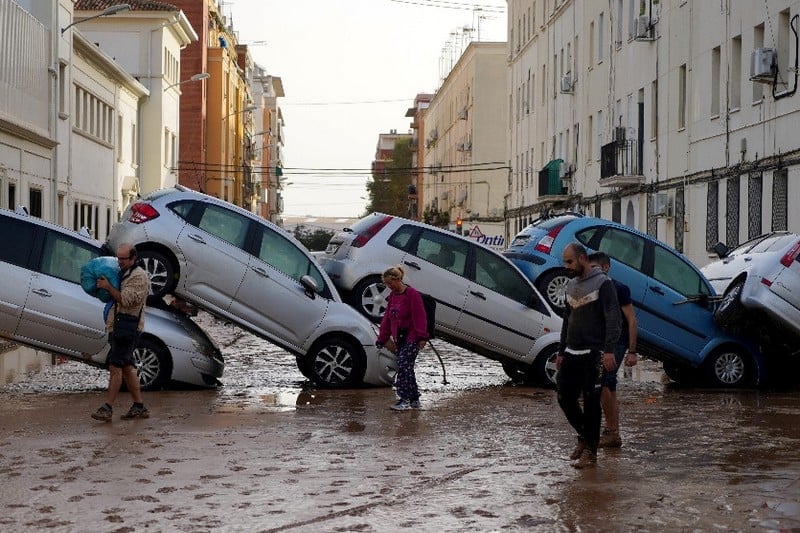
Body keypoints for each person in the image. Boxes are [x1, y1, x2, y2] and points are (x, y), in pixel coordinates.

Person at [556, 243, 621, 468]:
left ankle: (590, 453)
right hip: (571, 352)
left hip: (595, 354)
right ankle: (585, 437)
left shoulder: (604, 284)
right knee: (564, 397)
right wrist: (561, 351)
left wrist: (609, 350)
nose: (566, 267)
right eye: (565, 262)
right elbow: (567, 320)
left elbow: (614, 318)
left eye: (570, 262)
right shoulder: (571, 285)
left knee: (592, 403)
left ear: (582, 258)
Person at [91, 243, 150, 422]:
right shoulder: (123, 273)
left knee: (115, 366)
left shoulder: (139, 277)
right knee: (127, 367)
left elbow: (126, 300)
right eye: (118, 258)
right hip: (118, 326)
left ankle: (107, 408)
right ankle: (139, 406)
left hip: (128, 328)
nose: (120, 261)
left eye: (123, 258)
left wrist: (108, 287)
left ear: (133, 259)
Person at [588, 251, 638, 449]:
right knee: (609, 386)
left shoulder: (619, 288)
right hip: (600, 342)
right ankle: (613, 432)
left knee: (603, 384)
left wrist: (632, 351)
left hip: (616, 343)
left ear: (606, 267)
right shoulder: (591, 288)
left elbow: (632, 319)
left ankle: (611, 432)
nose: (591, 272)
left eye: (595, 268)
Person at [375, 265, 428, 411]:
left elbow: (420, 316)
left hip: (413, 337)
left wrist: (422, 337)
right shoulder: (392, 296)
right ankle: (414, 399)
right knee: (407, 368)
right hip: (399, 338)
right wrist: (382, 338)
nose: (388, 286)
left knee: (403, 365)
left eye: (390, 283)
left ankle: (403, 399)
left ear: (398, 279)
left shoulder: (412, 294)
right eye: (386, 284)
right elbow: (387, 318)